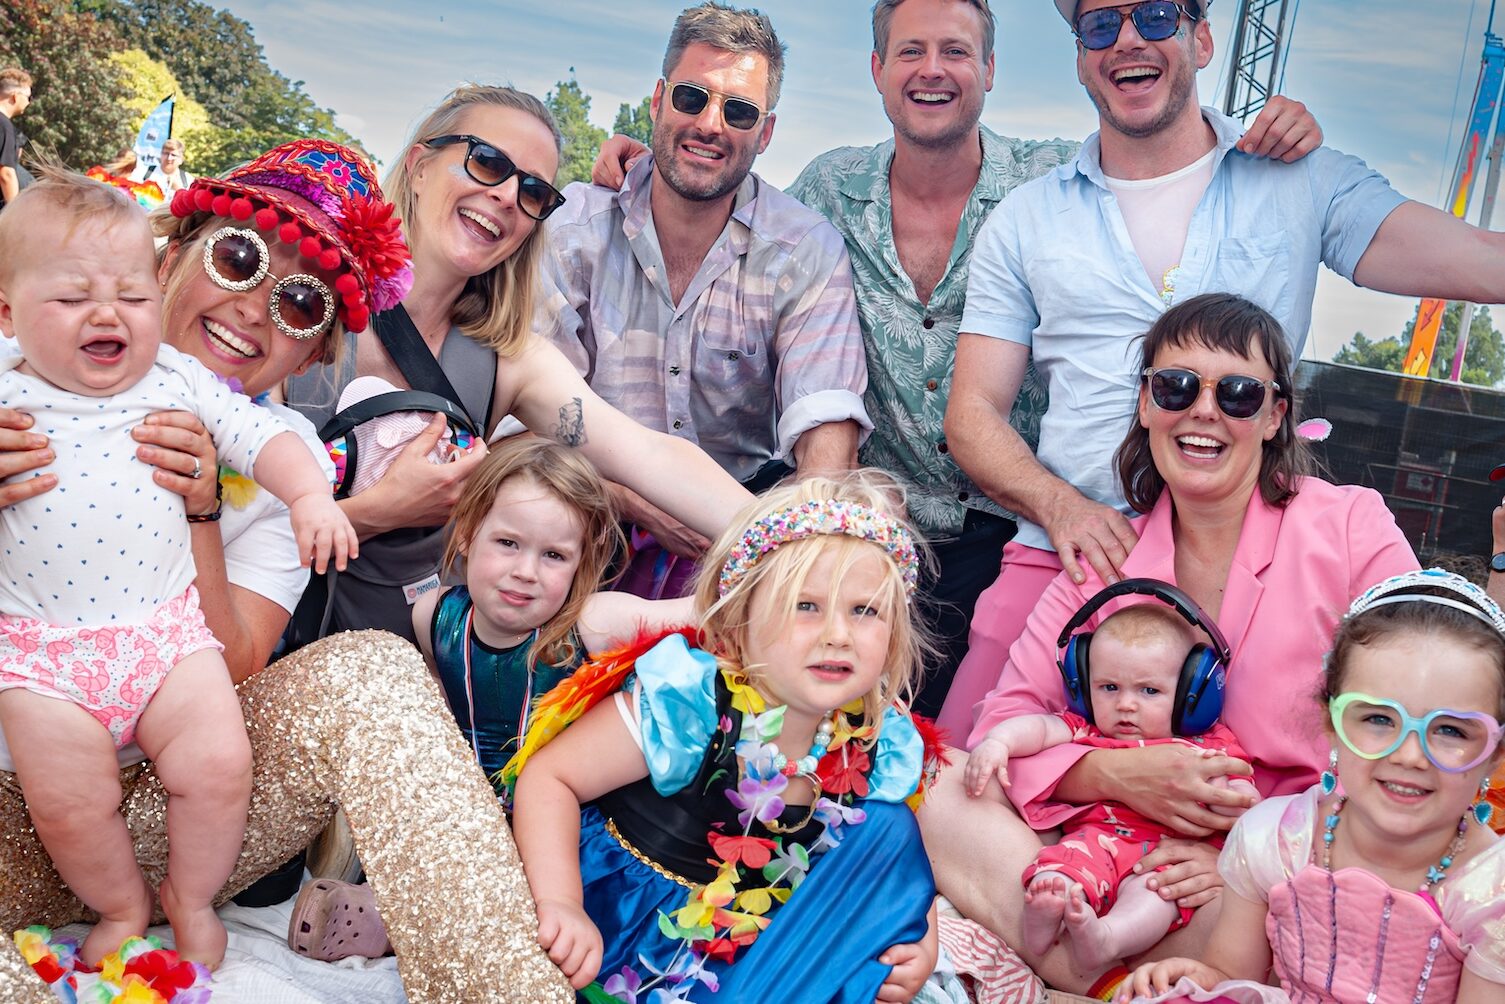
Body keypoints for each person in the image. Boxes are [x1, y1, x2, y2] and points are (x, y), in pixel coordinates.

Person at [595, 0, 1319, 716]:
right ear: (877, 71)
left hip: (1002, 531)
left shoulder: (1052, 188)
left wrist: (1261, 134)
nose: (931, 71)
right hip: (873, 523)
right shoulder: (827, 188)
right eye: (909, 52)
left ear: (990, 69)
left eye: (955, 51)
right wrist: (636, 168)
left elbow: (1160, 165)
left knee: (949, 741)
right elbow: (735, 211)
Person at [0, 140, 574, 1002]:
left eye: (302, 303)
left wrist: (201, 509)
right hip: (17, 798)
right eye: (240, 258)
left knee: (372, 670)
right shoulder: (22, 368)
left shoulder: (274, 469)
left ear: (312, 357)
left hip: (175, 815)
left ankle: (501, 987)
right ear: (173, 255)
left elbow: (231, 666)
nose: (256, 311)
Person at [938, 0, 1505, 740]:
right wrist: (1063, 510)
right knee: (958, 776)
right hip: (1067, 558)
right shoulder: (1024, 218)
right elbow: (971, 414)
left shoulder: (1301, 180)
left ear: (1201, 40)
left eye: (1154, 15)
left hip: (1246, 574)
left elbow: (1469, 258)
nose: (1128, 40)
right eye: (1099, 27)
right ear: (1080, 58)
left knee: (1245, 799)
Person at [918, 294, 1420, 997]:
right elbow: (1007, 718)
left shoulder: (1349, 528)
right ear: (1147, 404)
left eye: (1239, 394)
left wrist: (1250, 856)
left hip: (1278, 870)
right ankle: (1094, 959)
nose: (1202, 412)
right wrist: (1112, 776)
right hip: (1102, 853)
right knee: (931, 779)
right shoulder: (1104, 552)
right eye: (1175, 387)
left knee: (1330, 910)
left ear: (1275, 415)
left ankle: (1075, 962)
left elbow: (1409, 724)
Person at [0, 171, 356, 968]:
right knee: (67, 802)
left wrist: (307, 499)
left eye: (300, 302)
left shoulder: (180, 383)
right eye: (237, 258)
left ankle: (190, 899)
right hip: (39, 660)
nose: (106, 314)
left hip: (166, 639)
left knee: (221, 762)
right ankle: (123, 904)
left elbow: (274, 448)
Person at [285, 83, 751, 641]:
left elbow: (649, 454)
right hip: (254, 653)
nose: (508, 195)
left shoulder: (506, 358)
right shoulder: (298, 296)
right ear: (419, 165)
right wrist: (380, 510)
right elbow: (204, 516)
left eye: (533, 191)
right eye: (486, 162)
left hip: (413, 678)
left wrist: (811, 537)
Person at [512, 472, 941, 1002]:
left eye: (864, 611)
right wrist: (561, 903)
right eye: (805, 606)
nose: (838, 634)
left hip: (754, 938)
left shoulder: (878, 740)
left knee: (890, 829)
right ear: (739, 623)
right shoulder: (695, 702)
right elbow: (551, 778)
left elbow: (887, 871)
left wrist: (922, 946)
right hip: (626, 916)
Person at [539, 2, 870, 597]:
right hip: (583, 512)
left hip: (739, 524)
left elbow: (826, 435)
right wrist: (640, 499)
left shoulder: (804, 250)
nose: (711, 124)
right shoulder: (575, 230)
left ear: (765, 134)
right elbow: (532, 413)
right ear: (658, 100)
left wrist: (798, 557)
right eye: (692, 97)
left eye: (739, 111)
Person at [1120, 569, 1505, 1004]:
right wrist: (1201, 979)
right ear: (1332, 724)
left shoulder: (1492, 893)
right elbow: (1234, 975)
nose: (1409, 755)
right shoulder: (1276, 840)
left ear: (1495, 752)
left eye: (1452, 731)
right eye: (1378, 719)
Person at [964, 599, 1257, 972]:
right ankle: (1047, 912)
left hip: (1166, 856)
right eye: (1109, 687)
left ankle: (1107, 939)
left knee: (1157, 894)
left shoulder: (1210, 745)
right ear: (1084, 689)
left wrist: (1236, 802)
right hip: (1094, 843)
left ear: (1191, 698)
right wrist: (999, 743)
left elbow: (1244, 799)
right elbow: (1038, 729)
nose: (1126, 705)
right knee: (1058, 868)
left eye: (1149, 691)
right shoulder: (1085, 727)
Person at [0, 68, 32, 209]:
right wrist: (14, 211)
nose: (28, 103)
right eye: (28, 97)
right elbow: (6, 173)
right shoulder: (4, 125)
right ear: (15, 96)